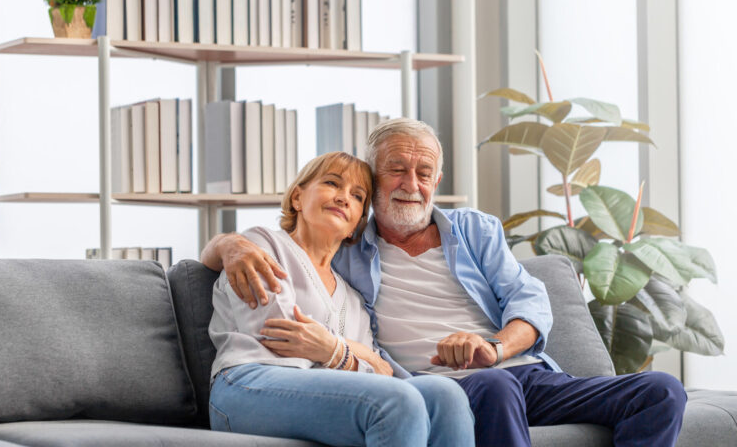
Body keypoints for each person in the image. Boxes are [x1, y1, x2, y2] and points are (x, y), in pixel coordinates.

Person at [202, 118, 689, 447]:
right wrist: (231, 245)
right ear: (376, 182)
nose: (411, 183)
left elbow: (529, 302)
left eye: (424, 172)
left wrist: (493, 349)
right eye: (396, 169)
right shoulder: (349, 246)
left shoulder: (475, 230)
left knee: (662, 389)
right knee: (488, 389)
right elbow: (278, 279)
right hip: (450, 384)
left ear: (437, 180)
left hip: (521, 372)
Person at [206, 150, 474, 447]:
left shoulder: (353, 298)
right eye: (332, 183)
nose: (344, 197)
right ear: (297, 198)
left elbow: (380, 372)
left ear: (357, 224)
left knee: (446, 395)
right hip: (246, 384)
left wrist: (335, 350)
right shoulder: (261, 244)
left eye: (358, 196)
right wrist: (351, 354)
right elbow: (279, 334)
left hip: (321, 393)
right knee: (397, 399)